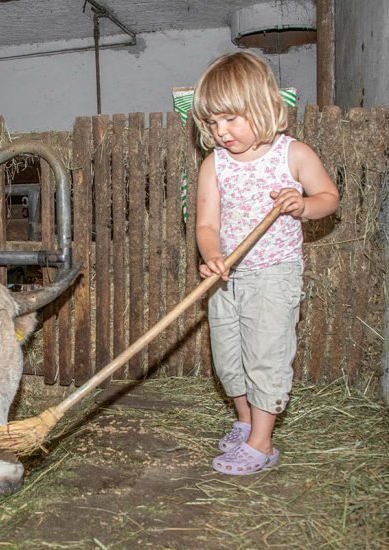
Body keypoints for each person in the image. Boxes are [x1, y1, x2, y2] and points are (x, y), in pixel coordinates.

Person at [191, 51, 339, 475]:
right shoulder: (213, 165)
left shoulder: (293, 154)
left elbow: (329, 198)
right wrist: (213, 256)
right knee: (228, 357)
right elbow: (206, 224)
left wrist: (303, 205)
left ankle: (262, 442)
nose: (222, 132)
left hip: (274, 276)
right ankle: (244, 420)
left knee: (265, 356)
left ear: (262, 106)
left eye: (231, 119)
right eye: (213, 123)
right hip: (226, 278)